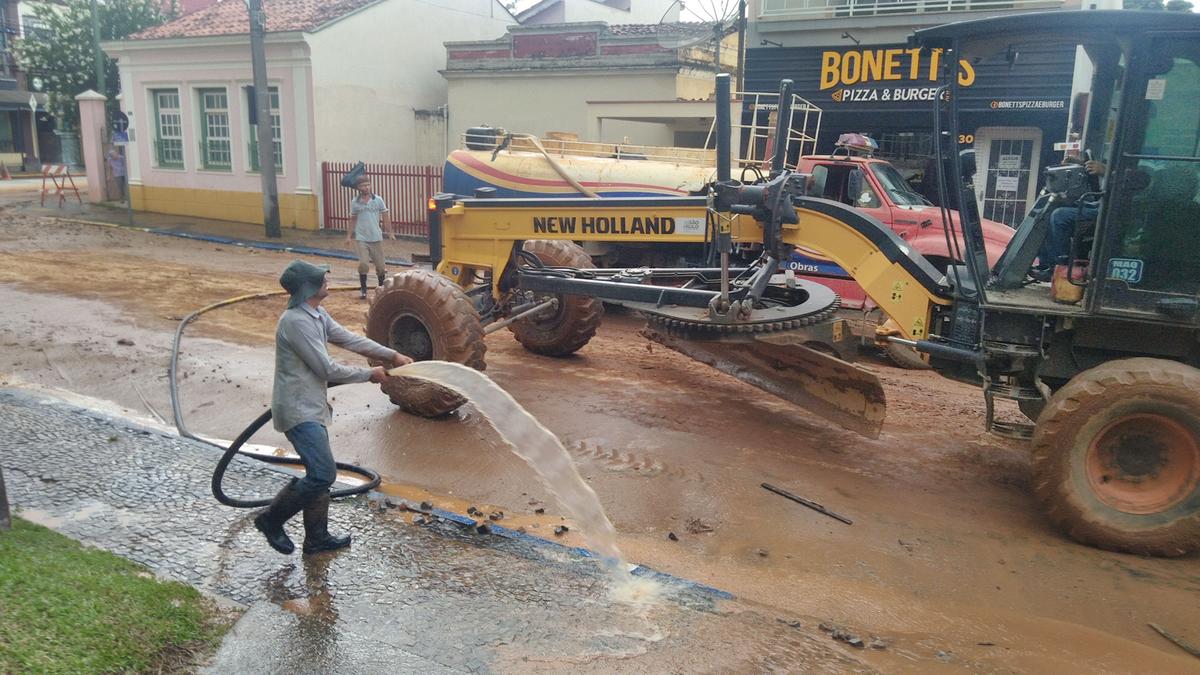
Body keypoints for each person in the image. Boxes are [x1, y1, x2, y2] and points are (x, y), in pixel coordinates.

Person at [254, 259, 412, 555]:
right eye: (321, 279)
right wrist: (370, 374)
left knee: (319, 474)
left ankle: (317, 538)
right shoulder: (296, 322)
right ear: (309, 288)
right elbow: (325, 369)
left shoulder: (315, 314)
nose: (326, 281)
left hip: (312, 406)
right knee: (322, 474)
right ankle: (270, 520)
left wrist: (393, 355)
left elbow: (349, 339)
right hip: (297, 410)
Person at [1031, 159, 1106, 282]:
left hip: (1108, 210)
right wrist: (1082, 163)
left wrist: (1105, 170)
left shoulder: (1129, 169)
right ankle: (1045, 264)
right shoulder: (1115, 160)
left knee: (1060, 216)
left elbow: (1123, 178)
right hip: (1099, 204)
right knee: (1049, 210)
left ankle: (1060, 266)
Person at [345, 177, 393, 299]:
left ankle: (381, 290)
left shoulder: (378, 200)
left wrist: (390, 232)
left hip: (376, 237)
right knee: (363, 264)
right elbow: (353, 219)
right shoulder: (355, 202)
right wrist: (349, 236)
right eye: (363, 185)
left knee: (381, 267)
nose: (366, 187)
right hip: (361, 237)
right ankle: (363, 290)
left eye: (368, 184)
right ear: (358, 188)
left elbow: (385, 216)